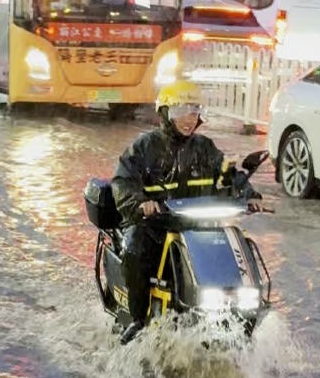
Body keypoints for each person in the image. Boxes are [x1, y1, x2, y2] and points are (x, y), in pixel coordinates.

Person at [110, 79, 263, 345]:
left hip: (197, 227)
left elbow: (229, 176)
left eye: (194, 110)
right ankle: (137, 318)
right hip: (156, 227)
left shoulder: (206, 148)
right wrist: (140, 202)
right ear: (166, 113)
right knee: (133, 247)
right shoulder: (144, 147)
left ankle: (247, 309)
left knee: (241, 242)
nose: (188, 118)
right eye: (181, 111)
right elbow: (122, 182)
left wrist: (250, 195)